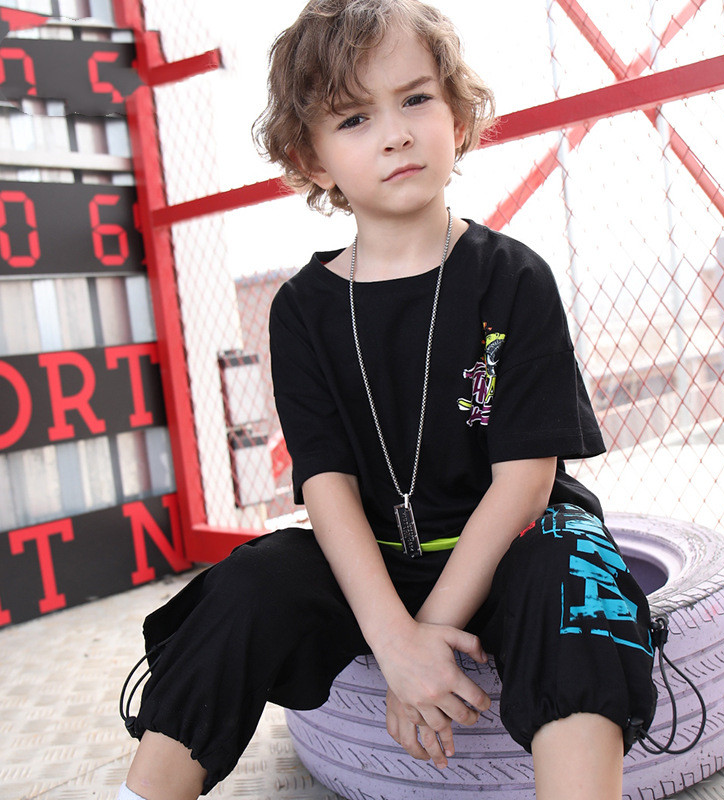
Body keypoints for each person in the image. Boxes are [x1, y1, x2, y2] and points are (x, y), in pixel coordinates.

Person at [117, 1, 657, 798]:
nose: (396, 134)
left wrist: (429, 634)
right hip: (374, 562)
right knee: (249, 582)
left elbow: (525, 482)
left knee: (572, 578)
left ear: (457, 116)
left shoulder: (513, 277)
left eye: (415, 99)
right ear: (312, 159)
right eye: (354, 118)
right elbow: (325, 486)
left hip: (508, 546)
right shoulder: (301, 310)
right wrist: (394, 643)